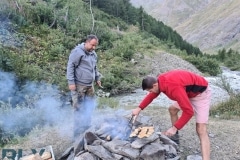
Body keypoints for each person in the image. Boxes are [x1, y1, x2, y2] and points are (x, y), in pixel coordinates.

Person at [132, 70, 211, 160]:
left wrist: (175, 127)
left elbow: (188, 112)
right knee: (172, 110)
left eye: (150, 90)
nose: (150, 92)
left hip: (200, 94)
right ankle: (175, 138)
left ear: (154, 85)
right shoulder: (159, 81)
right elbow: (152, 95)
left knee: (201, 130)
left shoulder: (173, 86)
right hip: (186, 92)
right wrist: (139, 108)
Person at [66, 34, 101, 139]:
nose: (93, 48)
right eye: (92, 45)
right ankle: (76, 135)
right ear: (86, 42)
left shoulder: (93, 54)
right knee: (79, 109)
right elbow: (70, 66)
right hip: (79, 86)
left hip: (90, 86)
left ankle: (87, 130)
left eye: (95, 46)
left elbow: (94, 68)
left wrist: (97, 78)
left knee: (89, 107)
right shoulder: (77, 52)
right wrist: (71, 82)